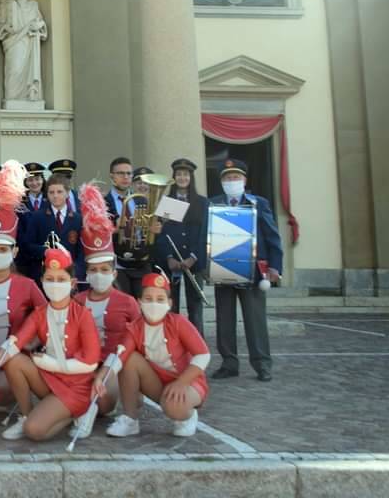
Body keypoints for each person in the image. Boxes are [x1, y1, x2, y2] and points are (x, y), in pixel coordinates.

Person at [0, 247, 100, 441]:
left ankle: (81, 411)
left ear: (73, 283)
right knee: (14, 361)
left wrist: (50, 364)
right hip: (49, 380)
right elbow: (15, 344)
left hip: (76, 387)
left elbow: (91, 362)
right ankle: (25, 415)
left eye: (61, 280)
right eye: (50, 279)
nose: (55, 285)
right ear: (42, 282)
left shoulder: (83, 315)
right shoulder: (40, 313)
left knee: (35, 431)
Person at [0, 161, 46, 407]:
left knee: (1, 391)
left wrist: (32, 343)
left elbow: (47, 317)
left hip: (15, 357)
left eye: (3, 249)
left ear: (14, 252)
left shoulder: (27, 285)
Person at [103, 271, 210, 438]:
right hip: (158, 382)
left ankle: (187, 416)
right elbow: (121, 354)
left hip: (188, 382)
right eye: (148, 299)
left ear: (169, 303)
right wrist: (103, 376)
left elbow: (203, 355)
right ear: (139, 302)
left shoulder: (178, 322)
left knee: (175, 408)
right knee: (130, 359)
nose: (154, 304)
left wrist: (182, 382)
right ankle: (130, 419)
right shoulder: (135, 327)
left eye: (160, 299)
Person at [209, 159, 282, 382]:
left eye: (236, 177)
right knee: (224, 319)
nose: (232, 181)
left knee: (255, 320)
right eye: (228, 178)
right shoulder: (212, 204)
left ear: (244, 180)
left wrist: (275, 266)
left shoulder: (258, 203)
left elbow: (272, 235)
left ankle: (262, 364)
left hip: (253, 272)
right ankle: (229, 363)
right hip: (223, 269)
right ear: (221, 181)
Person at [77, 181, 141, 417]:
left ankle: (131, 394)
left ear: (114, 273)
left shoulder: (128, 302)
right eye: (93, 270)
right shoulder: (78, 301)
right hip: (84, 364)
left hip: (114, 364)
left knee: (102, 402)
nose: (99, 275)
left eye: (105, 270)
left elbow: (139, 340)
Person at [158, 158, 208, 335]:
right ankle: (173, 342)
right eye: (178, 174)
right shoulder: (167, 202)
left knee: (195, 307)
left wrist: (193, 257)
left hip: (194, 262)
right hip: (172, 263)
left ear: (191, 177)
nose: (182, 178)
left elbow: (204, 233)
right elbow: (162, 234)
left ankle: (197, 344)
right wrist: (169, 258)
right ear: (174, 177)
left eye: (185, 174)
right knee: (172, 305)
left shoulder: (202, 203)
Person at [20, 174, 83, 281]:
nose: (55, 196)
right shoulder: (37, 217)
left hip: (69, 275)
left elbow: (81, 251)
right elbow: (27, 245)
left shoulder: (78, 219)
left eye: (59, 192)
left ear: (67, 193)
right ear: (47, 194)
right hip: (44, 274)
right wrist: (45, 251)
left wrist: (75, 272)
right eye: (51, 192)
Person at [106, 157, 147, 297]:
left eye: (129, 174)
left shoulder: (141, 200)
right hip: (118, 264)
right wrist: (114, 229)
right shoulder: (104, 203)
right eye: (120, 173)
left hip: (141, 262)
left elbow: (147, 232)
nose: (125, 177)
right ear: (112, 176)